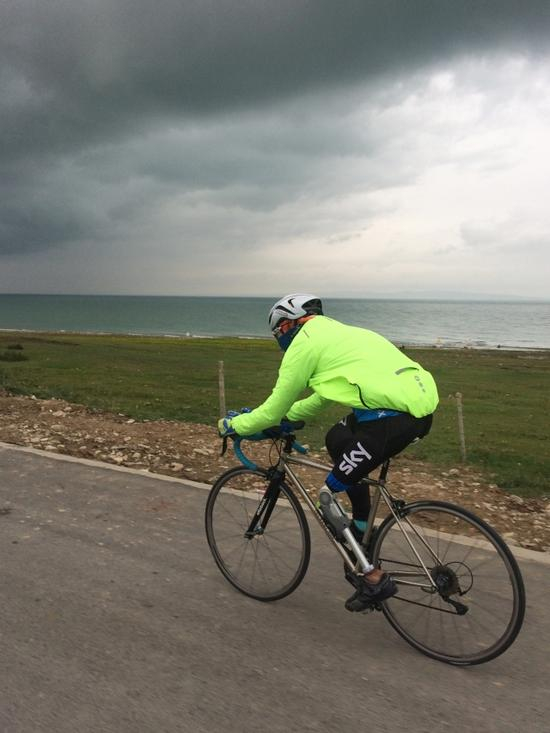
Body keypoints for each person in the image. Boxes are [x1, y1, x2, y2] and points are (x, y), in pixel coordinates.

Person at [218, 293, 439, 611]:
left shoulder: (303, 344)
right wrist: (285, 419)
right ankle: (361, 529)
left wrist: (233, 425)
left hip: (389, 422)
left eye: (278, 332)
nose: (279, 339)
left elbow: (271, 410)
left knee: (327, 494)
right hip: (411, 412)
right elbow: (319, 399)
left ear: (286, 326)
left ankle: (373, 578)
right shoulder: (340, 334)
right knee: (337, 438)